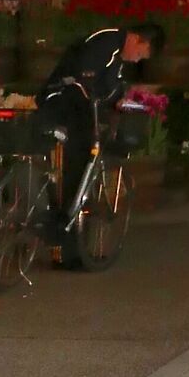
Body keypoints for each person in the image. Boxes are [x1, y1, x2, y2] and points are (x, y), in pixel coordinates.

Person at [36, 19, 164, 254]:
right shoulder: (107, 42)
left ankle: (69, 237)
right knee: (81, 154)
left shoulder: (117, 58)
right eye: (140, 53)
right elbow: (85, 83)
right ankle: (61, 224)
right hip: (61, 100)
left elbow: (108, 89)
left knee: (85, 155)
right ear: (135, 39)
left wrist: (119, 100)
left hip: (78, 106)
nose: (137, 59)